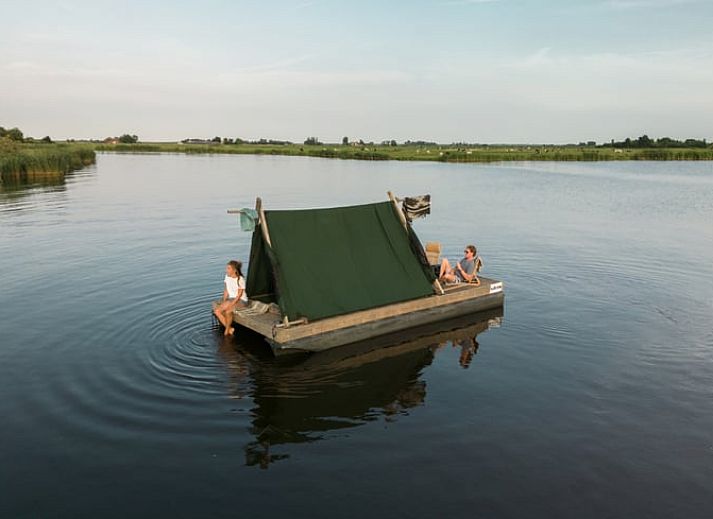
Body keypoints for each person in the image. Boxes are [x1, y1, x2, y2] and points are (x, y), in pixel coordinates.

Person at [213, 260, 248, 336]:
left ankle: (226, 331)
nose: (226, 270)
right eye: (227, 268)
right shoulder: (227, 277)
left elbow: (239, 295)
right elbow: (226, 291)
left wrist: (231, 304)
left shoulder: (240, 279)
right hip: (231, 299)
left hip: (241, 300)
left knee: (228, 311)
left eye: (228, 268)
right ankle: (230, 329)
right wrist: (224, 301)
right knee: (217, 311)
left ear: (234, 270)